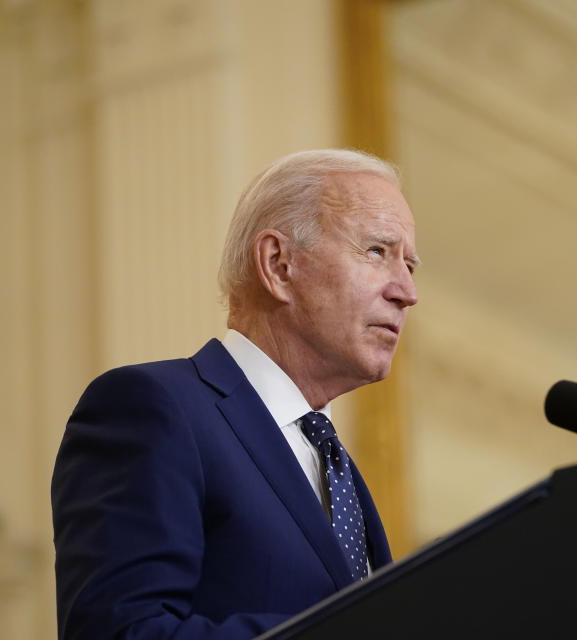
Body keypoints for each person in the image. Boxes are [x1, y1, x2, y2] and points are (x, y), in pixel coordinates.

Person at [51, 149, 419, 639]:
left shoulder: (334, 465)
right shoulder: (154, 409)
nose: (406, 291)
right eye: (378, 252)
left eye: (410, 265)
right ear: (278, 264)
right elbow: (119, 632)